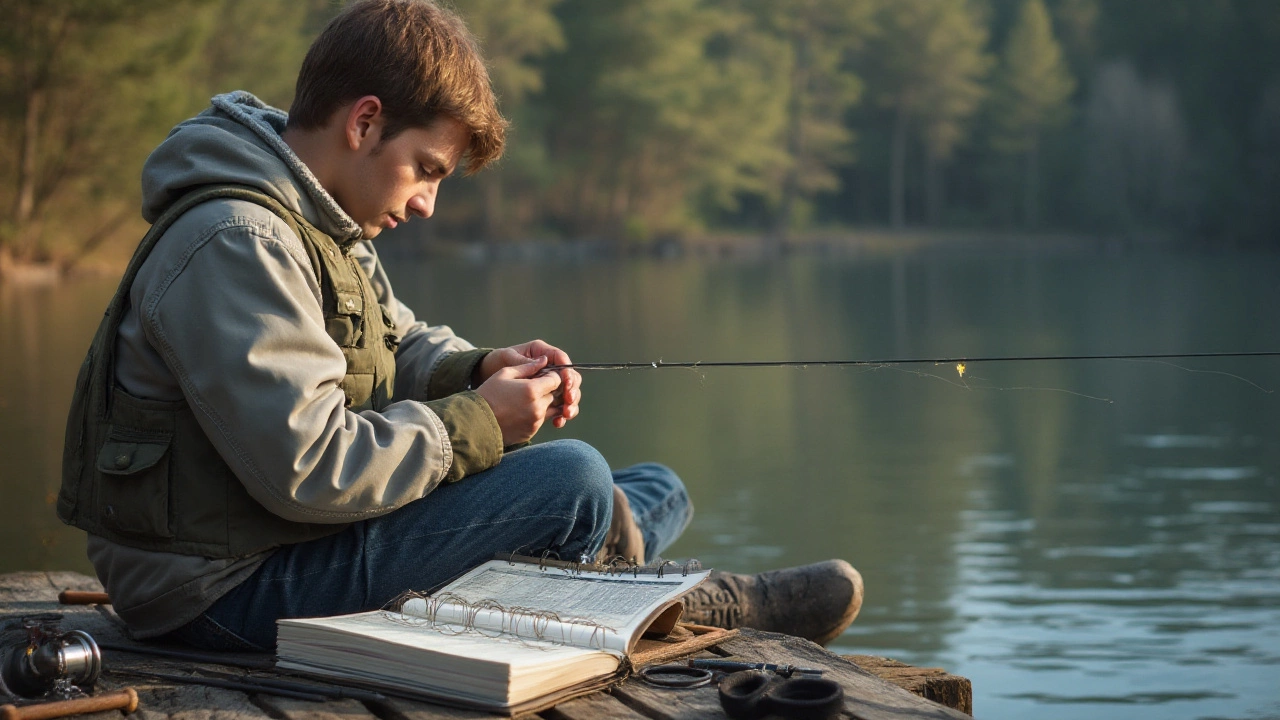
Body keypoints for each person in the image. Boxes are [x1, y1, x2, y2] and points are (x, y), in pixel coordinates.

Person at [57, 0, 862, 652]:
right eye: (429, 171)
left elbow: (399, 343)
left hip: (276, 546)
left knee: (657, 486)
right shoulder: (239, 242)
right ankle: (674, 593)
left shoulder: (318, 218)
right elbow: (310, 468)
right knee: (575, 480)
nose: (425, 203)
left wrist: (474, 371)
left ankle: (619, 550)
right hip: (219, 592)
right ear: (364, 122)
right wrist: (478, 424)